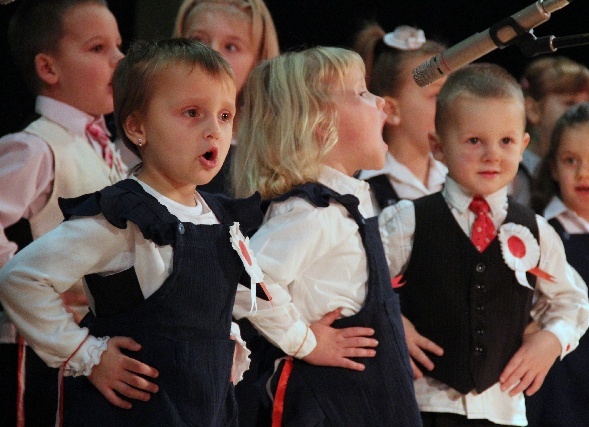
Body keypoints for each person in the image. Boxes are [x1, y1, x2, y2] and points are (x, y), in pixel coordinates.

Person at [0, 38, 268, 426]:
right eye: (192, 112)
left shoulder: (218, 218)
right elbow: (20, 278)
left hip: (205, 407)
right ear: (138, 126)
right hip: (135, 412)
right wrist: (82, 353)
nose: (214, 130)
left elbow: (245, 298)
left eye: (225, 116)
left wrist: (303, 340)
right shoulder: (122, 216)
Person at [380, 63, 589, 426]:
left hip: (503, 410)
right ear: (439, 146)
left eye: (506, 141)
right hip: (424, 405)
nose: (492, 154)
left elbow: (572, 300)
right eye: (474, 141)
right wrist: (392, 322)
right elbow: (359, 282)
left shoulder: (536, 231)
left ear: (524, 143)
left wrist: (551, 340)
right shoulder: (408, 221)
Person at [232, 46, 422, 426]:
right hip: (326, 407)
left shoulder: (346, 206)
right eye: (361, 93)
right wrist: (306, 341)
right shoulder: (314, 212)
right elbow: (244, 281)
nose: (381, 102)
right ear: (320, 122)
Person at [0, 0, 126, 424]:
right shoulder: (36, 145)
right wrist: (21, 273)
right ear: (49, 68)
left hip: (84, 339)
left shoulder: (106, 146)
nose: (119, 59)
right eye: (97, 48)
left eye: (118, 45)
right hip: (37, 343)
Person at [526, 101, 589, 426]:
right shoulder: (536, 234)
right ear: (552, 167)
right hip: (557, 392)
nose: (584, 173)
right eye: (570, 160)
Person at [174, 0, 279, 195]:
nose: (211, 55)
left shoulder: (276, 154)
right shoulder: (153, 140)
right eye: (198, 42)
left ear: (258, 63)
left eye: (230, 47)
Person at [354, 23, 448, 213]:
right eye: (438, 95)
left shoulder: (456, 177)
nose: (452, 104)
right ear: (390, 110)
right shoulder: (361, 188)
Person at [510, 56, 589, 206]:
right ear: (533, 110)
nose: (584, 115)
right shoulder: (511, 172)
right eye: (570, 103)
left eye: (587, 106)